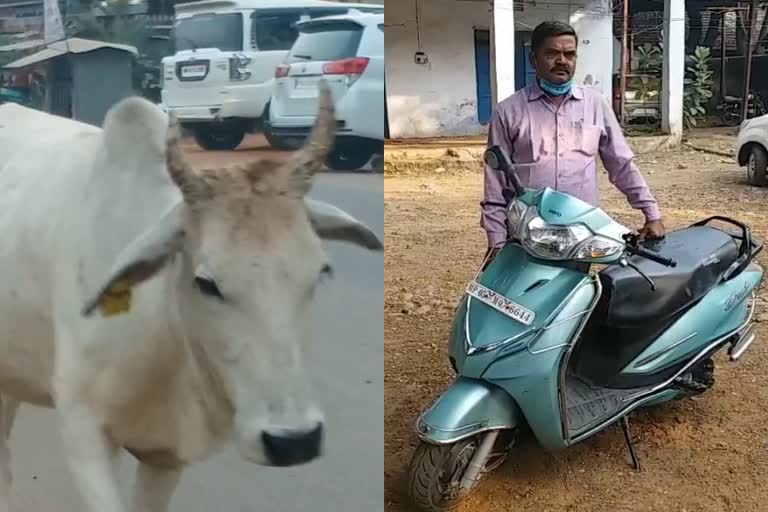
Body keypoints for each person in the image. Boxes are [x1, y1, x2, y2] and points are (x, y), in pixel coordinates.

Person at [481, 20, 665, 266]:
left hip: (579, 235)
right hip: (527, 234)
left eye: (569, 54)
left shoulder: (595, 105)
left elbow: (621, 165)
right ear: (533, 59)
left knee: (573, 300)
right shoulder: (508, 112)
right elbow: (495, 183)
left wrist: (651, 213)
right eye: (552, 54)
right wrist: (496, 241)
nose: (562, 61)